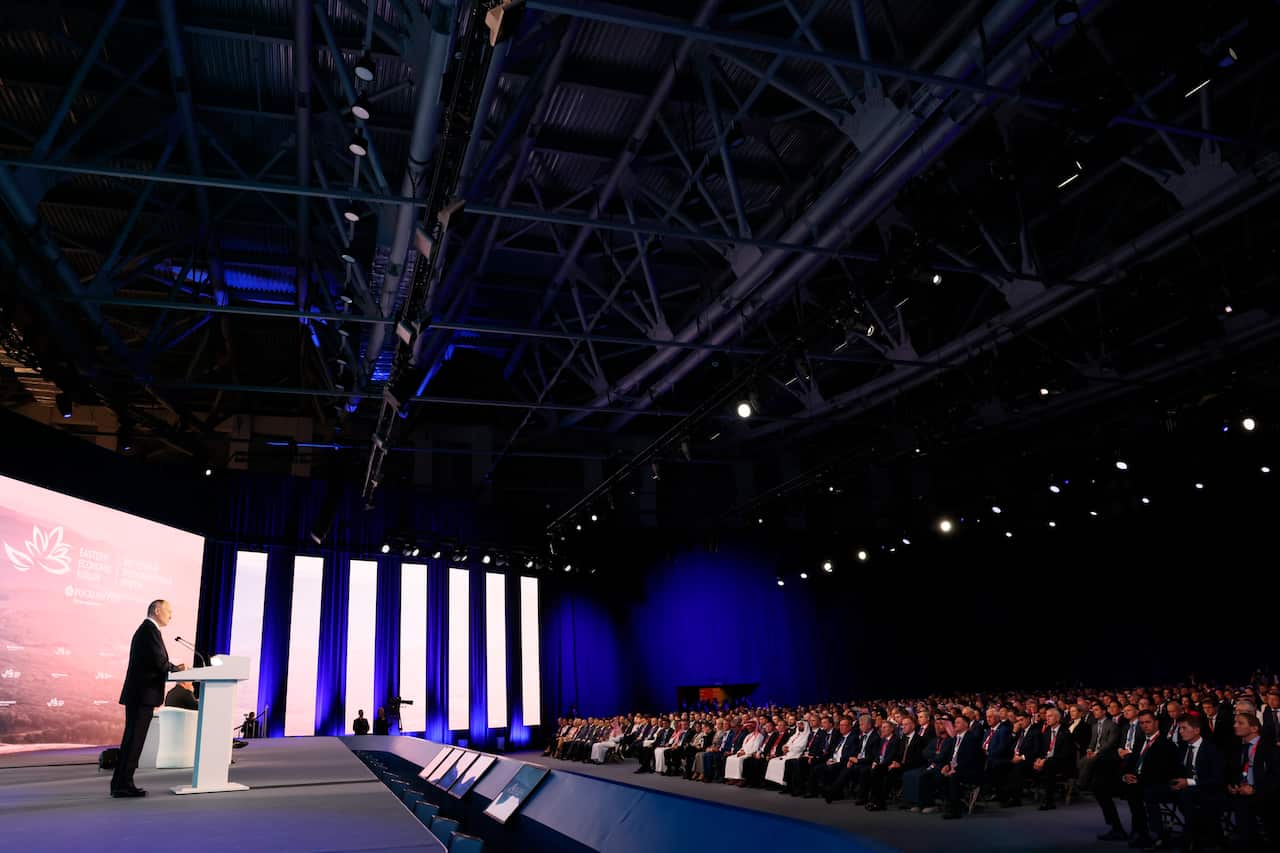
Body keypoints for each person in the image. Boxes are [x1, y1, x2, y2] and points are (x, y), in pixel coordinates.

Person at [111, 599, 187, 798]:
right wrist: (176, 669)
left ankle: (120, 783)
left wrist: (172, 667)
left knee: (132, 740)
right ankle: (123, 785)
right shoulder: (148, 630)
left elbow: (156, 661)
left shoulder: (148, 630)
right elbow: (158, 661)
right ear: (157, 610)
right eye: (169, 611)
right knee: (134, 741)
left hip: (141, 694)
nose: (171, 616)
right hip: (142, 694)